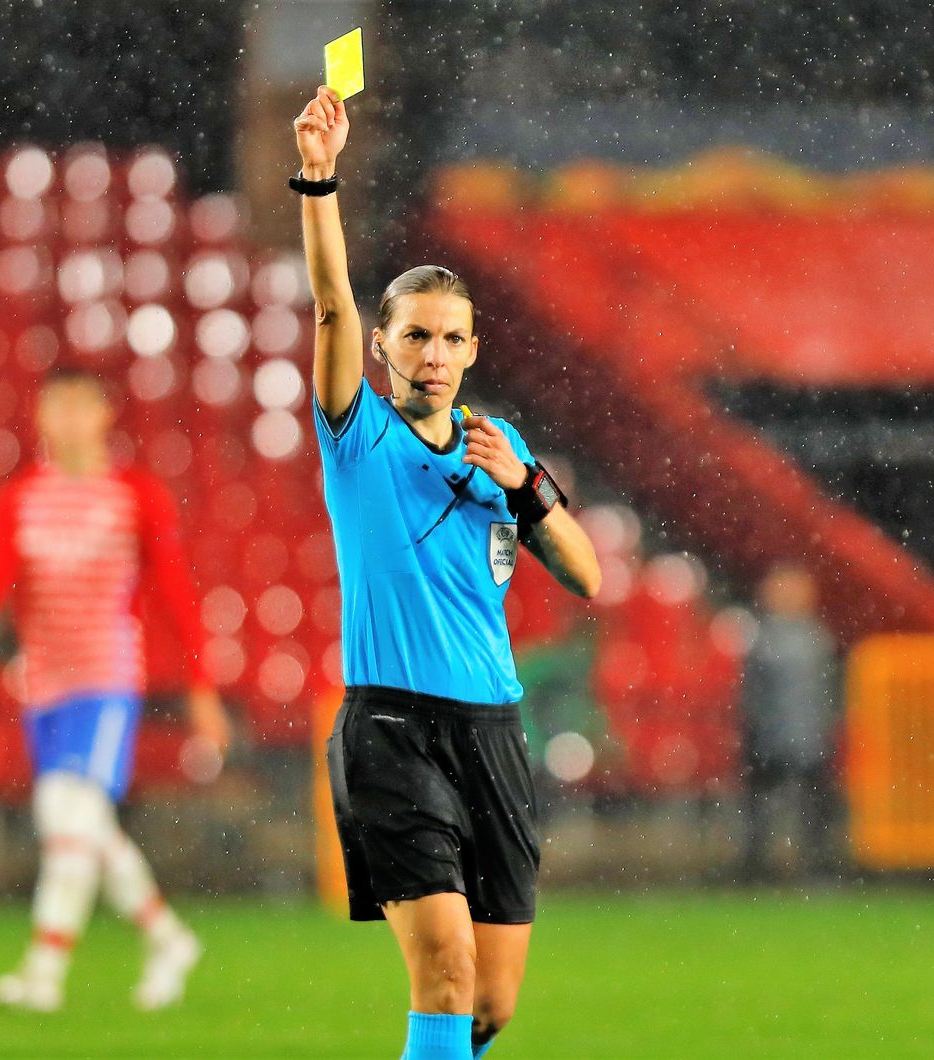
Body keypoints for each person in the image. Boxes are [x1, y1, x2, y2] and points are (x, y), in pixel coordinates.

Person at [293, 86, 601, 1060]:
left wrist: (527, 489)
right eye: (414, 334)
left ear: (472, 348)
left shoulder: (498, 443)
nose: (432, 353)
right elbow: (331, 294)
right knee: (445, 972)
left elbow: (585, 574)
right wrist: (319, 175)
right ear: (381, 346)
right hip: (393, 727)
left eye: (450, 336)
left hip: (494, 730)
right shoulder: (358, 435)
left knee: (489, 1005)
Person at [0, 367, 231, 1012]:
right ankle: (167, 935)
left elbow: (175, 595)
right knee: (79, 823)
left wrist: (201, 688)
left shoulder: (135, 497)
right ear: (40, 419)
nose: (64, 421)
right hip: (43, 689)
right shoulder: (24, 500)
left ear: (102, 415)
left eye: (76, 407)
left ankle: (43, 973)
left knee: (69, 824)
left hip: (105, 682)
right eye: (53, 409)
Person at [737, 563, 839, 881]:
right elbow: (752, 692)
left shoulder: (816, 638)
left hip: (807, 736)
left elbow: (826, 694)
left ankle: (814, 865)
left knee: (812, 807)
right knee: (763, 806)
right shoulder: (763, 638)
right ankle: (759, 866)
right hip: (771, 736)